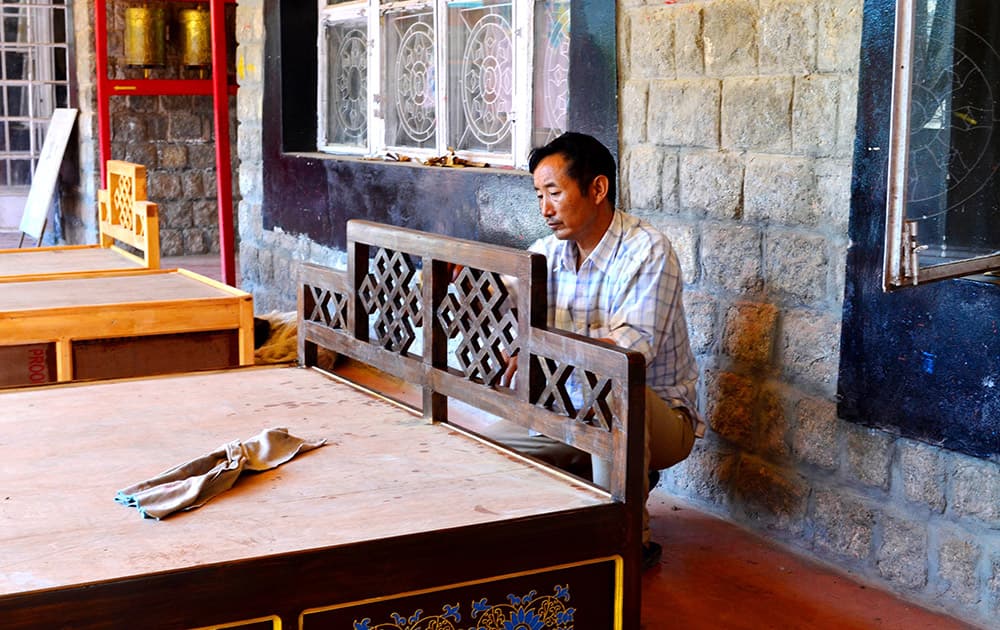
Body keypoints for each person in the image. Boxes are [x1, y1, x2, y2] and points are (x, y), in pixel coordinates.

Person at [492, 131, 705, 571]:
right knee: (488, 450)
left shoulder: (648, 251)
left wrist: (539, 349)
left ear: (597, 188)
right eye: (538, 195)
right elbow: (502, 294)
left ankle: (629, 541)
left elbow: (629, 356)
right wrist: (463, 281)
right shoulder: (547, 252)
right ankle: (583, 478)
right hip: (568, 405)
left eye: (554, 192)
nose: (544, 209)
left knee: (611, 387)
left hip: (656, 413)